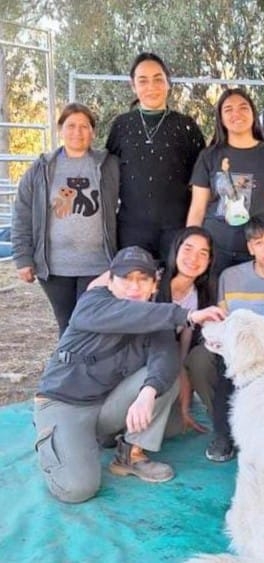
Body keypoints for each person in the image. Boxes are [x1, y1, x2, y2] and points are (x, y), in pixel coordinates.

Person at [32, 246, 225, 504]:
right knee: (77, 489)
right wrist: (187, 315)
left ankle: (129, 454)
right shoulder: (93, 302)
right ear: (110, 281)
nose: (134, 287)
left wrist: (148, 393)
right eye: (125, 278)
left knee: (166, 384)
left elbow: (165, 360)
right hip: (65, 403)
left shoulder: (155, 316)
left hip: (106, 406)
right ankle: (54, 441)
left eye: (142, 279)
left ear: (154, 285)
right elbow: (128, 314)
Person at [200, 214, 264, 461]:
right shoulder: (230, 277)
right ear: (250, 248)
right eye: (259, 242)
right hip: (241, 350)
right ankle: (224, 433)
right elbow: (223, 322)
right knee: (214, 365)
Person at [12, 103, 119, 336]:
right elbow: (22, 212)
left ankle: (84, 360)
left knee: (90, 326)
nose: (77, 132)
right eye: (71, 126)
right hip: (56, 267)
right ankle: (66, 360)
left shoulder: (108, 165)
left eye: (84, 126)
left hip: (98, 264)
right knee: (67, 326)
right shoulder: (42, 168)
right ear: (60, 129)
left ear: (93, 132)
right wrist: (23, 258)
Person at [106, 52, 205, 262]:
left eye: (158, 79)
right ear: (133, 86)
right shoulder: (121, 126)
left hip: (177, 229)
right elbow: (108, 176)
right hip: (131, 230)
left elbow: (201, 181)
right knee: (133, 280)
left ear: (168, 83)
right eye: (143, 81)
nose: (151, 86)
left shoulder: (186, 126)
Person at [187, 88, 264, 275]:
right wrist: (192, 250)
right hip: (215, 251)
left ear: (253, 113)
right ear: (221, 118)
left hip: (260, 253)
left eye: (243, 107)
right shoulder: (208, 156)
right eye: (228, 109)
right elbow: (197, 209)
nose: (236, 114)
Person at [156, 227, 217, 437]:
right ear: (176, 249)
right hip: (139, 361)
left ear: (209, 261)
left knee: (174, 429)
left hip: (166, 363)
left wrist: (184, 409)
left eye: (203, 253)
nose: (194, 258)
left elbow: (182, 356)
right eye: (188, 249)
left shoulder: (199, 297)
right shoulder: (152, 280)